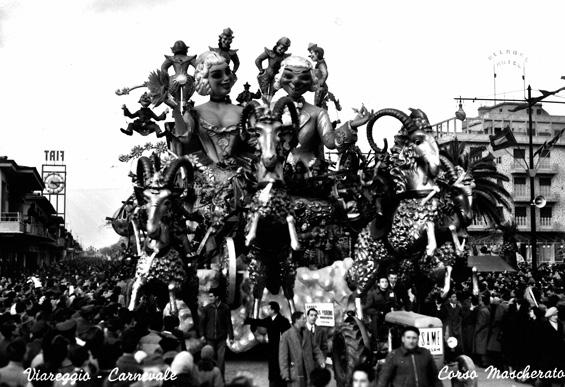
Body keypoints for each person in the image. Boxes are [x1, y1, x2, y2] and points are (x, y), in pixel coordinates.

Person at [244, 301, 291, 387]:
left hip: (281, 347)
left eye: (269, 309)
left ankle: (282, 382)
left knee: (281, 365)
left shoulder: (284, 321)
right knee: (272, 366)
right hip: (272, 348)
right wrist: (247, 320)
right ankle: (272, 382)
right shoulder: (269, 319)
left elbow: (287, 335)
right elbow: (259, 322)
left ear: (273, 310)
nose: (267, 310)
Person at [376, 326, 441, 387]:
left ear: (418, 339)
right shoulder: (394, 355)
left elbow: (435, 377)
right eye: (408, 337)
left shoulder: (425, 353)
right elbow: (384, 379)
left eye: (414, 338)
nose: (411, 341)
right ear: (403, 339)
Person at [279, 312, 325, 387]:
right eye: (303, 318)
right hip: (295, 374)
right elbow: (283, 358)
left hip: (309, 371)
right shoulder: (286, 336)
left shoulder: (308, 333)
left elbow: (316, 349)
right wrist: (285, 374)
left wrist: (321, 360)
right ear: (297, 320)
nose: (305, 320)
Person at [200, 287, 234, 377]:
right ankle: (210, 378)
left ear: (217, 297)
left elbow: (228, 323)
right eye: (209, 296)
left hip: (221, 338)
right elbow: (202, 323)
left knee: (221, 359)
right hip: (209, 338)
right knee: (209, 358)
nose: (210, 298)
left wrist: (231, 337)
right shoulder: (207, 309)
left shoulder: (225, 308)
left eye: (211, 296)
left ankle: (220, 379)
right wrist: (202, 335)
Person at [440, 292, 463, 362]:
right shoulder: (445, 306)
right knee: (448, 343)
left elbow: (460, 317)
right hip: (448, 328)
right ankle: (447, 359)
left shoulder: (459, 307)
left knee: (456, 344)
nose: (455, 298)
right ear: (449, 298)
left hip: (456, 328)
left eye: (455, 297)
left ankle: (454, 358)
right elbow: (442, 317)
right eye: (453, 297)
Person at [472, 295, 490, 367]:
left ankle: (483, 362)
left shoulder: (482, 310)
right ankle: (483, 361)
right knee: (482, 346)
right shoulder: (486, 309)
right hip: (485, 330)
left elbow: (480, 323)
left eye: (480, 300)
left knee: (480, 346)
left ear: (482, 301)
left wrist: (476, 331)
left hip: (481, 331)